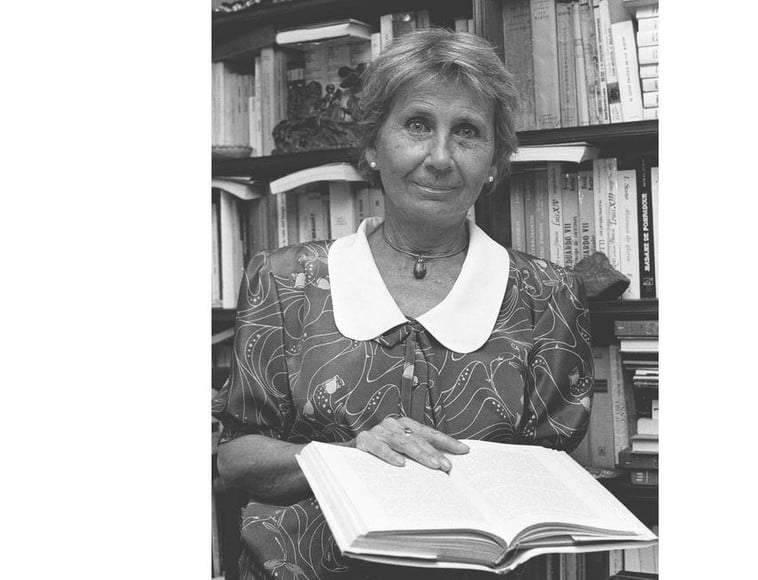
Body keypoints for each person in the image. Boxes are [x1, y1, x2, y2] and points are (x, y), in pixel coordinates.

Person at [213, 28, 595, 580]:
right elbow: (235, 458)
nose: (440, 157)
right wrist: (349, 456)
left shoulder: (549, 296)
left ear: (494, 160)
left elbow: (550, 481)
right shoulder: (283, 281)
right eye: (417, 125)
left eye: (467, 132)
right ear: (373, 146)